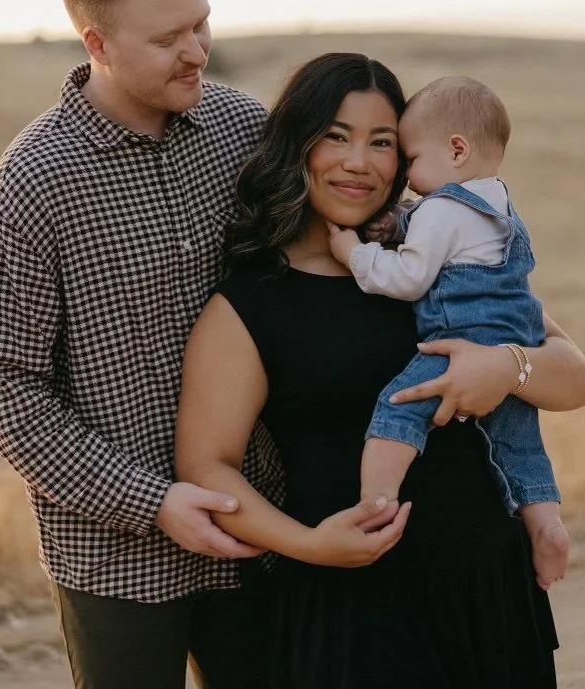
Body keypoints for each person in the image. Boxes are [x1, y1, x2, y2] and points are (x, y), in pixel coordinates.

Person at [175, 52, 585, 688]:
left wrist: (508, 368)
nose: (359, 162)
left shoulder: (438, 260)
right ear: (297, 146)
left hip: (489, 591)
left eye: (382, 142)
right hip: (356, 611)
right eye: (336, 136)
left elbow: (573, 376)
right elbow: (207, 466)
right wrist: (310, 544)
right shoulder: (252, 303)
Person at [0, 0, 288, 689]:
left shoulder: (245, 130)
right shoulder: (33, 182)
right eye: (166, 39)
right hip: (114, 556)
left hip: (260, 525)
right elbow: (9, 389)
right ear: (96, 44)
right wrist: (152, 502)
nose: (196, 51)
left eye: (201, 24)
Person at [327, 76, 569, 591]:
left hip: (463, 337)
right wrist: (398, 228)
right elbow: (450, 244)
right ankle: (546, 524)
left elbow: (410, 278)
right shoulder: (497, 200)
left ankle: (375, 503)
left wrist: (355, 255)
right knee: (519, 441)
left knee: (399, 407)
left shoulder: (442, 207)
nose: (408, 176)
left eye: (412, 159)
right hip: (516, 331)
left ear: (456, 150)